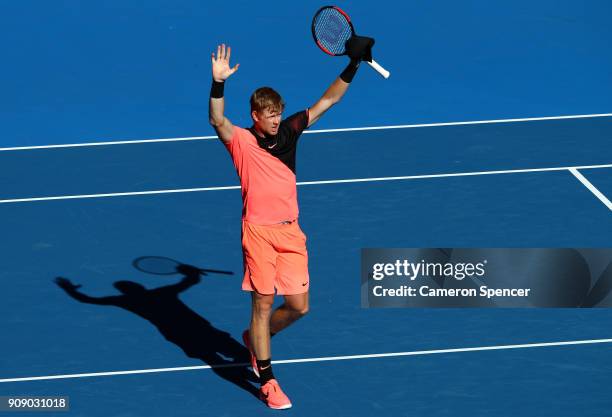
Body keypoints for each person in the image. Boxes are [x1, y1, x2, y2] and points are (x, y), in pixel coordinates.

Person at [208, 38, 373, 409]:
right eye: (271, 116)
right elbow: (217, 119)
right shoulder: (241, 142)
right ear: (255, 116)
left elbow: (328, 100)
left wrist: (354, 64)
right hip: (258, 232)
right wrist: (219, 82)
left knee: (299, 306)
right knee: (263, 303)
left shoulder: (289, 131)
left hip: (290, 231)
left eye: (280, 114)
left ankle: (254, 339)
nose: (278, 120)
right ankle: (267, 380)